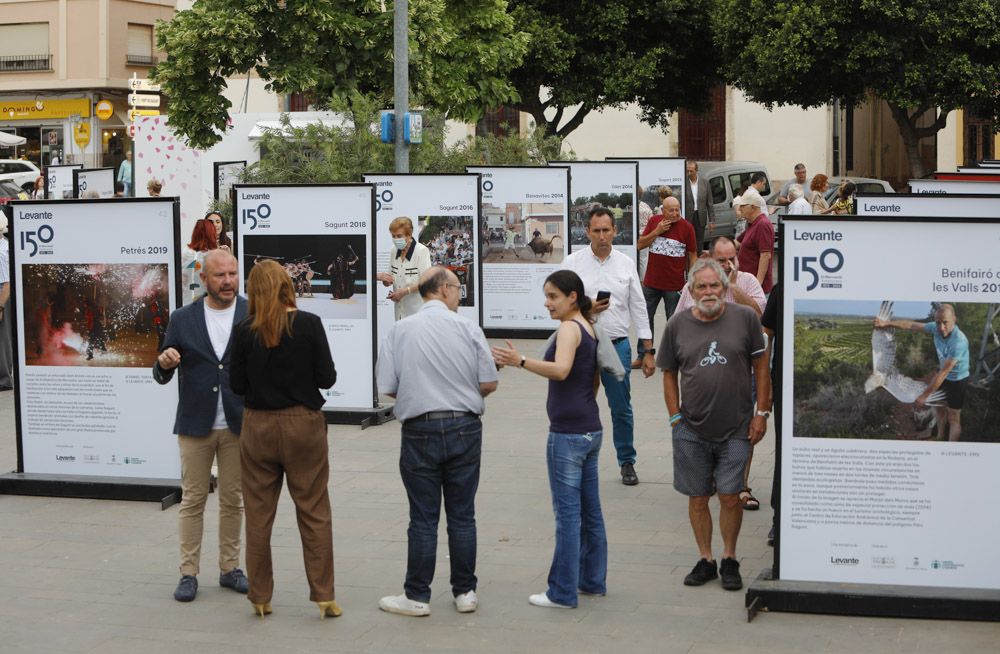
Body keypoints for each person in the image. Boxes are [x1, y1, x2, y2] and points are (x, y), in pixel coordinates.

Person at [376, 266, 498, 617]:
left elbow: (388, 385)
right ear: (443, 290)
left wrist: (421, 391)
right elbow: (489, 382)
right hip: (464, 426)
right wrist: (460, 393)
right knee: (463, 515)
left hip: (419, 429)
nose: (460, 295)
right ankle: (465, 593)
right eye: (458, 288)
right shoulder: (467, 327)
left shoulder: (400, 330)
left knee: (423, 517)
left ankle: (416, 596)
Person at [229, 259, 340, 618]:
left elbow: (237, 386)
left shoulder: (245, 330)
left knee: (259, 515)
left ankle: (260, 596)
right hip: (303, 425)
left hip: (257, 426)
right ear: (286, 285)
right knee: (314, 511)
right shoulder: (308, 324)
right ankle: (324, 596)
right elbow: (327, 378)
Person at [492, 270, 607, 609]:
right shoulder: (587, 325)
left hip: (569, 433)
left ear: (573, 297)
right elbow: (593, 377)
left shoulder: (570, 328)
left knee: (568, 514)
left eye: (553, 296)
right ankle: (592, 580)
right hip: (589, 427)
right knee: (591, 511)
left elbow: (561, 370)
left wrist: (521, 360)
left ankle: (561, 591)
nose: (547, 302)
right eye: (546, 295)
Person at [657, 259, 769, 592]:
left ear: (725, 288)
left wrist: (761, 413)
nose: (708, 291)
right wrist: (675, 417)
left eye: (714, 285)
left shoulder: (745, 319)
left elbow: (761, 367)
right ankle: (706, 559)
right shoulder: (677, 324)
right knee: (697, 498)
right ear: (691, 291)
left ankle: (730, 558)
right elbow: (667, 372)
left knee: (731, 496)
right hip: (691, 428)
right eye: (701, 286)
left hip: (737, 426)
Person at [152, 250, 249, 603]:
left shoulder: (250, 312)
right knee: (193, 499)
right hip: (196, 423)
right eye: (220, 275)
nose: (228, 281)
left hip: (238, 424)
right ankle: (188, 572)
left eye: (233, 274)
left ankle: (230, 568)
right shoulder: (183, 318)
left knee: (233, 500)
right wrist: (164, 362)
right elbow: (161, 370)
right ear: (204, 279)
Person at [562, 207, 653, 486]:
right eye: (596, 230)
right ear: (587, 231)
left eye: (606, 230)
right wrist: (586, 307)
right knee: (579, 404)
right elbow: (556, 302)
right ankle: (576, 460)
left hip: (617, 345)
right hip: (581, 345)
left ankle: (627, 461)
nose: (602, 236)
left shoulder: (626, 264)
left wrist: (647, 350)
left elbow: (639, 307)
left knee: (621, 407)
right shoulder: (572, 263)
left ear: (615, 231)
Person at [874, 304, 969, 441]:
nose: (941, 328)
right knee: (940, 410)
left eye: (945, 323)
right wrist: (886, 323)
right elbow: (911, 325)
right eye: (938, 323)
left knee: (953, 418)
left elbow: (943, 373)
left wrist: (924, 396)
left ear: (954, 319)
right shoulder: (935, 328)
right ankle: (940, 437)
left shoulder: (959, 342)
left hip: (957, 380)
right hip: (943, 376)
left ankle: (950, 452)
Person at [638, 195, 698, 336]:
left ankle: (673, 356)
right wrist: (657, 232)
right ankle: (645, 354)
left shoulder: (687, 228)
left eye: (677, 210)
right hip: (651, 283)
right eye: (671, 210)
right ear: (662, 211)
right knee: (645, 319)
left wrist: (691, 279)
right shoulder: (654, 222)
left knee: (674, 323)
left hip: (674, 285)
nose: (675, 214)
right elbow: (640, 245)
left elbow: (692, 255)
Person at [675, 237, 765, 317]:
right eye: (721, 261)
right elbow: (678, 324)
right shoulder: (694, 285)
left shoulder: (749, 280)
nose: (727, 265)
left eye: (731, 259)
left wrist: (733, 286)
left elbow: (758, 315)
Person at [376, 216, 432, 320]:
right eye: (393, 236)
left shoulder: (421, 251)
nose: (396, 239)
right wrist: (386, 281)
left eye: (399, 236)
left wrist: (405, 291)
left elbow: (426, 282)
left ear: (409, 235)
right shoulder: (394, 250)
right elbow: (391, 277)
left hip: (417, 313)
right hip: (399, 313)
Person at [734, 189, 774, 295]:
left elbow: (765, 255)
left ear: (752, 207)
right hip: (748, 285)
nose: (739, 208)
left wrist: (757, 284)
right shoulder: (753, 223)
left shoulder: (762, 224)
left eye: (743, 205)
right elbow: (737, 243)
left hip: (756, 289)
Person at [181, 218, 219, 306]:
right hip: (208, 307)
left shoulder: (185, 252)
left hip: (185, 304)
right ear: (211, 234)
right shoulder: (214, 256)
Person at [684, 161, 716, 250]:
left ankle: (698, 259)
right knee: (688, 240)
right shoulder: (684, 182)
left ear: (696, 170)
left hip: (700, 216)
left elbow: (710, 203)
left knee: (699, 241)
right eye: (687, 171)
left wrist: (712, 221)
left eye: (691, 171)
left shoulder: (705, 182)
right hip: (687, 217)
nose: (689, 173)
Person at [0, 215, 11, 390]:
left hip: (2, 294)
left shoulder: (3, 250)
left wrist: (0, 305)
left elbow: (7, 282)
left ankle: (4, 379)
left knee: (3, 338)